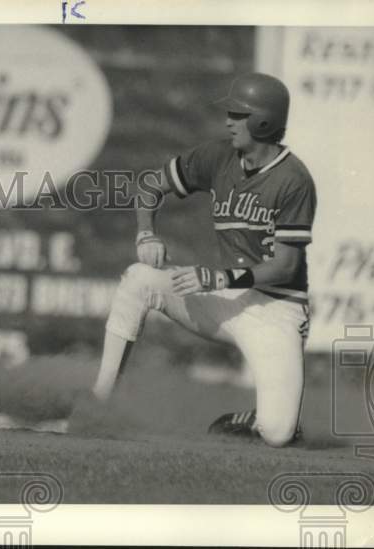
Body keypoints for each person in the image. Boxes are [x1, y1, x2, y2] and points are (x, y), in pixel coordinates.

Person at [90, 73, 316, 447]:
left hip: (277, 309)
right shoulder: (218, 156)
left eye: (237, 113)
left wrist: (218, 279)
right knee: (140, 279)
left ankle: (257, 420)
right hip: (225, 301)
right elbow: (149, 187)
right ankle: (100, 399)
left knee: (278, 433)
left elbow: (286, 267)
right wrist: (146, 232)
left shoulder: (293, 179)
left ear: (263, 121)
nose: (228, 121)